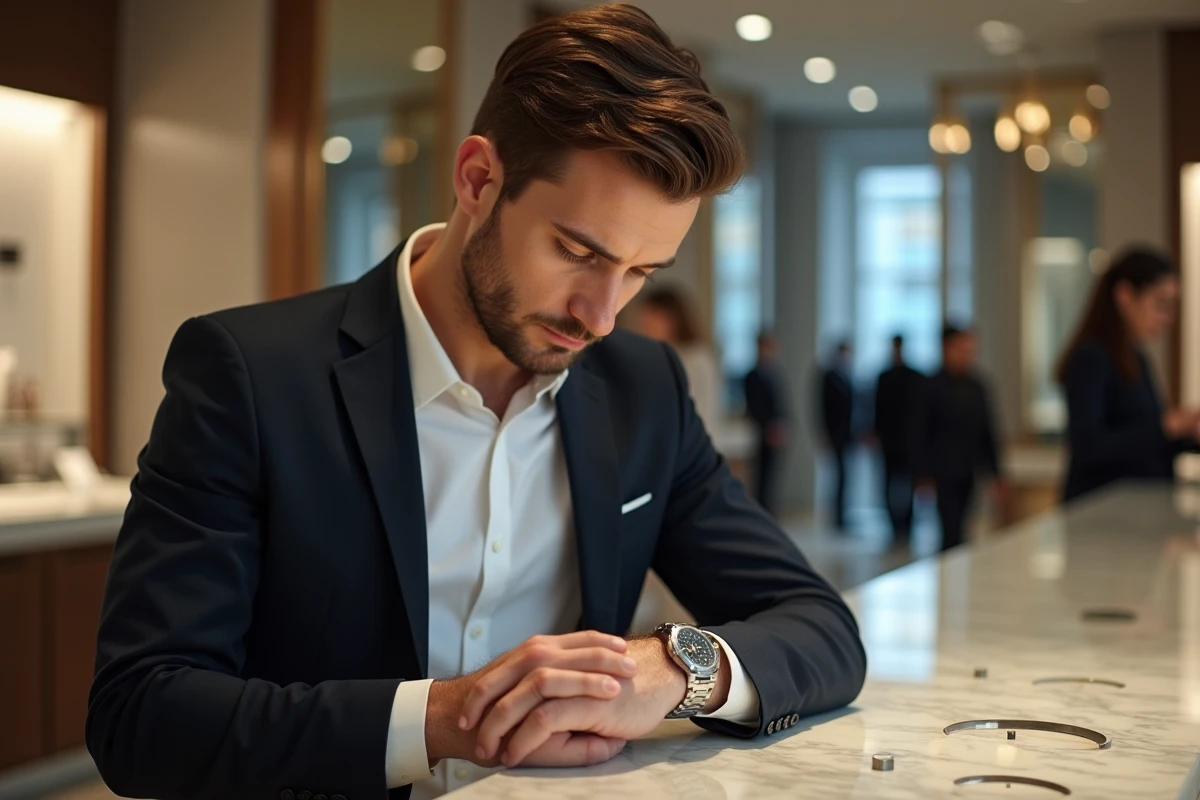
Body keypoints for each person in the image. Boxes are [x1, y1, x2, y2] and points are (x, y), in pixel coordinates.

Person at [86, 7, 866, 800]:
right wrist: (449, 718)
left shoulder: (644, 390)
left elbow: (823, 628)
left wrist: (667, 670)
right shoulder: (250, 375)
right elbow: (141, 713)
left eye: (639, 272)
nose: (601, 316)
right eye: (578, 251)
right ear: (478, 179)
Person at [1057, 248, 1200, 502]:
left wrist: (1187, 434)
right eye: (1161, 304)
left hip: (1134, 508)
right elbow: (1089, 447)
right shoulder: (1092, 358)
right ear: (1125, 295)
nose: (1168, 318)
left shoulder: (1135, 358)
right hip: (1102, 511)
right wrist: (1168, 426)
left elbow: (1146, 443)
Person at [914, 325, 1007, 551]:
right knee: (950, 528)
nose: (967, 355)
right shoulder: (930, 386)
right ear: (946, 349)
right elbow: (918, 432)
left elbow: (987, 432)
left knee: (964, 525)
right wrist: (922, 474)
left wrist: (995, 473)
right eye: (961, 349)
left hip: (968, 470)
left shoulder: (977, 387)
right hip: (942, 472)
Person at [635, 286, 723, 435]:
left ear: (672, 319)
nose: (645, 326)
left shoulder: (695, 358)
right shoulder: (658, 357)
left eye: (652, 318)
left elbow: (696, 411)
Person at [872, 335, 924, 543]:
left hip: (909, 439)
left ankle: (907, 524)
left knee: (910, 482)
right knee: (888, 483)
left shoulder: (914, 377)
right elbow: (877, 408)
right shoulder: (884, 376)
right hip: (889, 440)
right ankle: (894, 524)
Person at [743, 331, 789, 515]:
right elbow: (754, 406)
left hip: (775, 433)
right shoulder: (752, 375)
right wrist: (767, 428)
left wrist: (781, 426)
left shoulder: (775, 373)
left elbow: (781, 404)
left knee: (772, 478)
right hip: (761, 433)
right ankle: (760, 512)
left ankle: (770, 511)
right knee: (761, 477)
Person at [816, 341, 854, 530]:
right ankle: (836, 515)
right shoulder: (829, 377)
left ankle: (843, 514)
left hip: (847, 435)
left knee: (845, 477)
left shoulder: (848, 376)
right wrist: (824, 434)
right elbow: (822, 408)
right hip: (835, 434)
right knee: (837, 476)